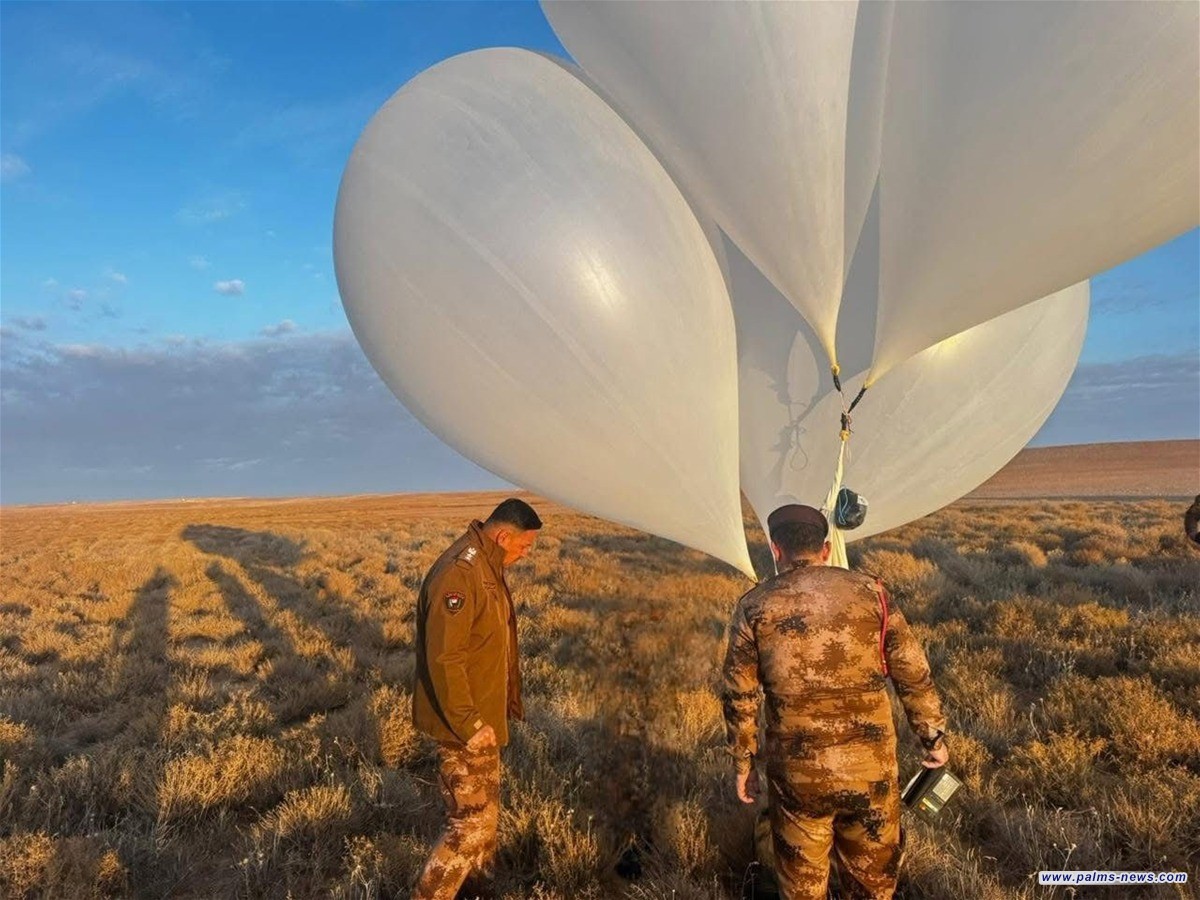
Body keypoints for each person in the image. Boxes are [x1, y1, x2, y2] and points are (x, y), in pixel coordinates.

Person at [722, 504, 948, 900]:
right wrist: (933, 739)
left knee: (802, 888)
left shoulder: (754, 606)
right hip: (871, 773)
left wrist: (744, 764)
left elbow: (739, 694)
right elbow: (913, 673)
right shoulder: (873, 593)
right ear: (825, 549)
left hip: (798, 777)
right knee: (873, 887)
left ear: (776, 549)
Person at [412, 497, 542, 900]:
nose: (527, 553)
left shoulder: (487, 565)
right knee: (468, 827)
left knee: (485, 825)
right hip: (462, 724)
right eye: (524, 545)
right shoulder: (461, 572)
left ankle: (476, 893)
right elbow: (445, 658)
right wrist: (469, 722)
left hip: (481, 720)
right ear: (503, 537)